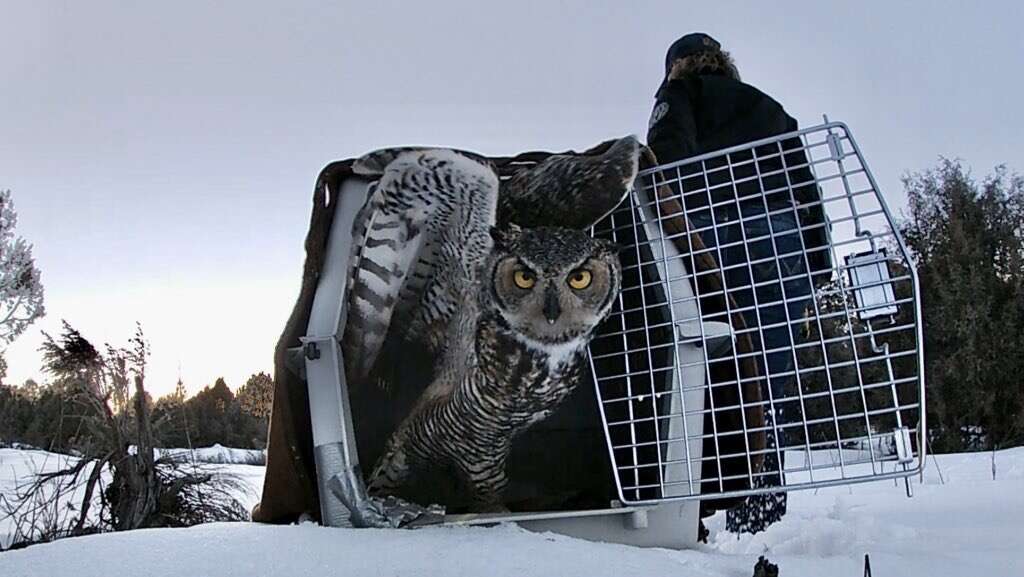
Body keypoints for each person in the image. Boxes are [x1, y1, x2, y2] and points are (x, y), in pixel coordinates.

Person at [646, 33, 832, 535]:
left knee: (700, 360)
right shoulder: (770, 107)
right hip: (781, 240)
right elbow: (807, 192)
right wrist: (816, 263)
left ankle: (693, 501)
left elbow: (668, 159)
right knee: (771, 370)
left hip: (715, 229)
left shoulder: (681, 95)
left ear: (676, 67)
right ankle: (762, 505)